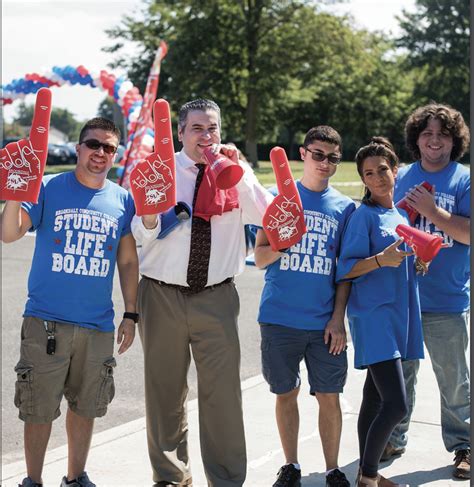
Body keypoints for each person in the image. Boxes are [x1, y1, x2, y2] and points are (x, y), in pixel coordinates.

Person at [131, 98, 273, 486]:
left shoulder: (235, 171)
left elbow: (268, 216)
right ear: (180, 132)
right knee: (164, 392)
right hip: (161, 294)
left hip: (216, 296)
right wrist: (148, 214)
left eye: (212, 128)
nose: (206, 136)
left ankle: (225, 479)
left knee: (222, 396)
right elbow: (139, 236)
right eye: (197, 128)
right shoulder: (161, 170)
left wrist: (237, 171)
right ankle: (171, 477)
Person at [1, 116, 139, 487]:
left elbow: (127, 260)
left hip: (97, 325)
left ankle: (76, 478)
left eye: (108, 147)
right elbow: (9, 233)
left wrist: (131, 313)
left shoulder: (122, 199)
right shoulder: (48, 188)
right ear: (78, 148)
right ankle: (32, 480)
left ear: (116, 154)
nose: (100, 153)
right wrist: (15, 191)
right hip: (46, 321)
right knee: (38, 409)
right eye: (93, 144)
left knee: (85, 406)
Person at [255, 126, 355, 487]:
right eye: (318, 154)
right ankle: (291, 465)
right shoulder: (276, 197)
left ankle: (332, 468)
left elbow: (345, 271)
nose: (325, 163)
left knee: (330, 395)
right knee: (286, 393)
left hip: (324, 323)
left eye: (332, 157)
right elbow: (260, 255)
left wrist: (338, 318)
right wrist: (285, 242)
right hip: (279, 317)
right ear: (303, 153)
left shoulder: (345, 208)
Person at [385, 103, 471, 479]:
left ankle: (463, 445)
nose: (434, 140)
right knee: (400, 375)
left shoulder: (464, 179)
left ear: (455, 141)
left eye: (443, 134)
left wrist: (434, 214)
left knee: (453, 379)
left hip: (446, 299)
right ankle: (395, 437)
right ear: (416, 140)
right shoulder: (400, 175)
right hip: (402, 296)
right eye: (427, 133)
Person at [336, 137, 424, 487]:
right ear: (363, 180)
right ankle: (369, 478)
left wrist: (418, 265)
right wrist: (379, 260)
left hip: (399, 314)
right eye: (369, 173)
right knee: (396, 405)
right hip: (373, 318)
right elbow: (345, 268)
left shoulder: (399, 213)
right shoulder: (364, 216)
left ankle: (364, 472)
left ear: (395, 169)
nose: (377, 178)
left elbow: (398, 262)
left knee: (374, 399)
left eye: (382, 170)